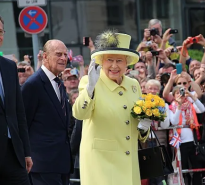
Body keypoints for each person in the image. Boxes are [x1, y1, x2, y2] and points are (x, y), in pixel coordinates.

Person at [72, 31, 151, 185]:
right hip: (101, 164)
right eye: (109, 60)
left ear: (127, 63)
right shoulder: (89, 81)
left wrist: (144, 127)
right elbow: (80, 113)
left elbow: (136, 126)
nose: (114, 65)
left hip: (129, 162)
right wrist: (90, 88)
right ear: (101, 61)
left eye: (119, 60)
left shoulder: (133, 85)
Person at [21, 39, 72, 185]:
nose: (63, 58)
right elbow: (23, 124)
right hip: (42, 164)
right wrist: (25, 156)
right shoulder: (33, 84)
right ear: (45, 57)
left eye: (65, 54)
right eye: (58, 54)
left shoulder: (59, 83)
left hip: (61, 164)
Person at [0, 15, 32, 185]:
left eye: (0, 31)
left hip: (14, 154)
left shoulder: (9, 66)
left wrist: (26, 152)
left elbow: (19, 113)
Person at [166, 86, 205, 185]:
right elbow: (174, 121)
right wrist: (179, 106)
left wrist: (192, 96)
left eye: (182, 92)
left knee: (196, 168)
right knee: (183, 169)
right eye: (177, 93)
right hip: (180, 142)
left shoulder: (190, 104)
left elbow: (202, 109)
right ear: (174, 96)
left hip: (193, 141)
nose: (181, 95)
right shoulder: (172, 107)